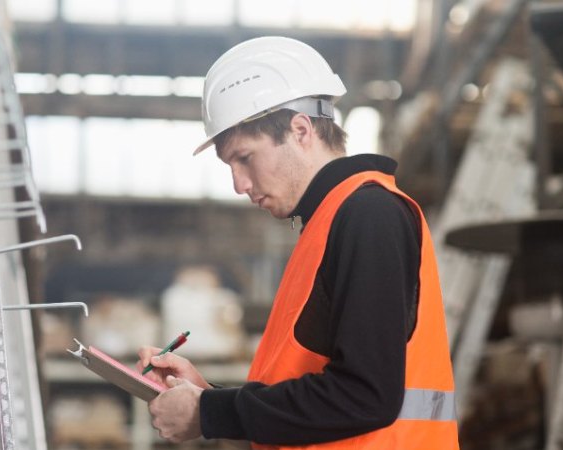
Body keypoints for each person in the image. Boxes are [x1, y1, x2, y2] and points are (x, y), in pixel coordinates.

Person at [136, 36, 459, 449]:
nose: (238, 185)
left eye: (245, 158)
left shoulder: (368, 215)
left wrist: (210, 411)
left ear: (301, 130)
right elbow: (314, 392)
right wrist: (208, 396)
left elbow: (365, 397)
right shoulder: (329, 222)